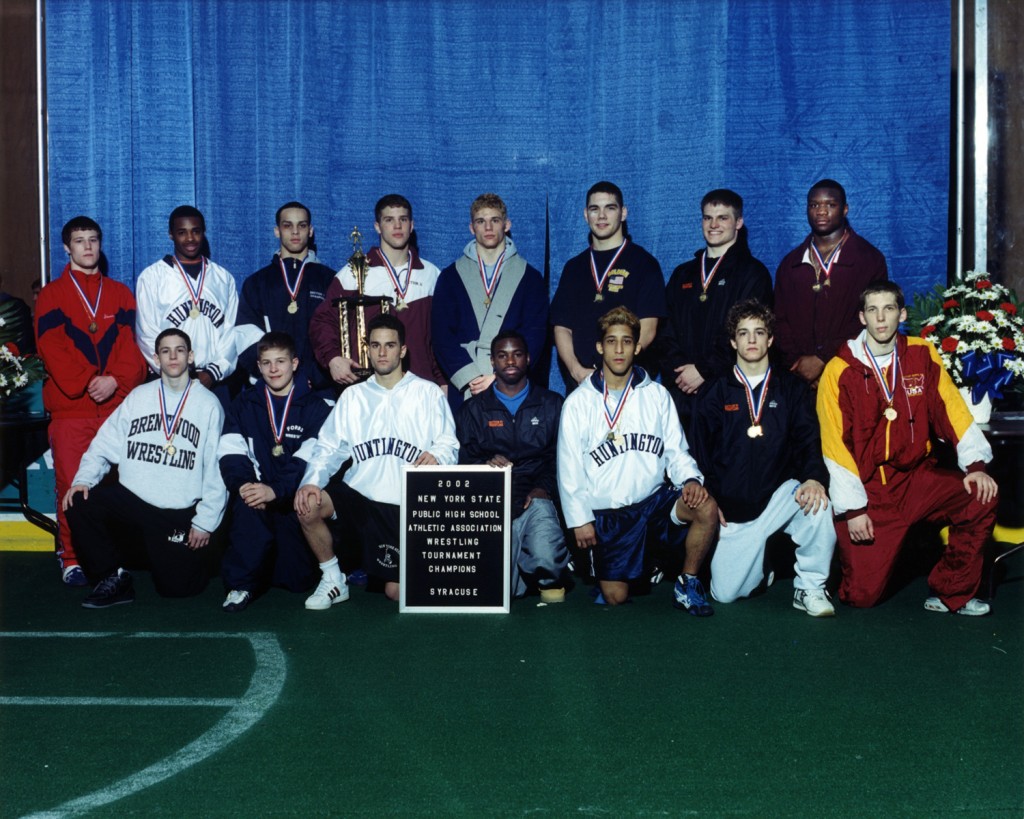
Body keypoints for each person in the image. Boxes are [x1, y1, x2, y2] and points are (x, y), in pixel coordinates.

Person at [817, 282, 998, 614]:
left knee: (980, 496)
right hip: (871, 491)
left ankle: (951, 591)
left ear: (901, 314)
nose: (881, 318)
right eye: (872, 310)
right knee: (861, 596)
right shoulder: (839, 370)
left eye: (888, 309)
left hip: (917, 479)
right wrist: (854, 510)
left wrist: (975, 466)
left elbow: (951, 409)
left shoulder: (921, 354)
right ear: (862, 317)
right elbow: (834, 446)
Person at [556, 306, 719, 612]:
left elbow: (676, 450)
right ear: (599, 346)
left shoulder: (656, 395)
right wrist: (580, 521)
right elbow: (569, 470)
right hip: (609, 515)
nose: (619, 349)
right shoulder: (579, 403)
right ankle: (632, 566)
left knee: (705, 507)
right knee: (616, 598)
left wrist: (692, 479)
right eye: (612, 341)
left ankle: (688, 582)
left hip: (652, 504)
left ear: (638, 347)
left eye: (627, 341)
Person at [294, 314, 458, 608]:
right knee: (308, 505)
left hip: (404, 503)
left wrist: (439, 456)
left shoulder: (428, 393)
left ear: (403, 350)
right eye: (376, 345)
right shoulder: (353, 396)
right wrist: (310, 482)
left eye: (390, 345)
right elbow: (328, 447)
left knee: (396, 593)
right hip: (359, 498)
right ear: (367, 349)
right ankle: (333, 579)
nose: (382, 353)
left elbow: (449, 443)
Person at [63, 328, 228, 607]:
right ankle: (112, 578)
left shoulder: (209, 405)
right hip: (133, 500)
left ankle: (197, 559)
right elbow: (103, 444)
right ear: (156, 358)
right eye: (165, 351)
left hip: (176, 510)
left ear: (191, 356)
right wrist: (84, 479)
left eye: (179, 350)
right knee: (80, 499)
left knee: (178, 589)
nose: (172, 356)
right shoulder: (139, 397)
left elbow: (216, 470)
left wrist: (205, 522)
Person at [692, 300, 836, 616]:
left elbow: (810, 441)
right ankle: (763, 563)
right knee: (725, 594)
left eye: (759, 332)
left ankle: (810, 587)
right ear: (733, 341)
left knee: (818, 504)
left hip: (780, 496)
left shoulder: (792, 388)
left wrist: (813, 478)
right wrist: (712, 500)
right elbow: (701, 454)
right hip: (734, 508)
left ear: (771, 339)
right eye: (744, 334)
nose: (752, 340)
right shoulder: (714, 392)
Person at [34, 216, 148, 586]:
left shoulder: (119, 293)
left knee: (117, 484)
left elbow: (132, 348)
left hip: (115, 406)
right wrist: (87, 382)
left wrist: (114, 380)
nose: (87, 247)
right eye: (80, 241)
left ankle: (115, 556)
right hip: (73, 409)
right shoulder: (52, 295)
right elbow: (53, 349)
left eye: (93, 239)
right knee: (72, 484)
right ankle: (71, 558)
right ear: (66, 248)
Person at [217, 331, 334, 612]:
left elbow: (309, 460)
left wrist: (276, 490)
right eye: (266, 363)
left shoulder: (317, 407)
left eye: (280, 361)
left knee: (296, 580)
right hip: (256, 496)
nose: (273, 369)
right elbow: (230, 451)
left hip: (290, 498)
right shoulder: (243, 403)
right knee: (247, 502)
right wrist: (245, 484)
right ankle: (240, 586)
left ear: (294, 363)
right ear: (258, 367)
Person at [456, 330, 569, 601]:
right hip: (492, 503)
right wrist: (485, 465)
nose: (510, 361)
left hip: (535, 498)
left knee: (547, 559)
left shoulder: (552, 404)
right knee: (502, 589)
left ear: (528, 359)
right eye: (502, 355)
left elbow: (563, 458)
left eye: (517, 354)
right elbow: (462, 460)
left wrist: (545, 488)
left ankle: (541, 568)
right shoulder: (473, 409)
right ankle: (517, 566)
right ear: (492, 362)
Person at [659, 189, 773, 430]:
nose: (713, 225)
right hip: (681, 392)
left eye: (723, 218)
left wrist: (703, 371)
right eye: (707, 217)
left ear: (738, 222)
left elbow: (747, 335)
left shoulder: (753, 274)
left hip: (729, 393)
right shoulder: (683, 274)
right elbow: (665, 330)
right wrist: (681, 373)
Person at [310, 194, 444, 390]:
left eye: (403, 220)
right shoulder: (353, 272)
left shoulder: (431, 274)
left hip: (420, 387)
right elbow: (322, 321)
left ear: (412, 225)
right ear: (377, 227)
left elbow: (439, 336)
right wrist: (332, 358)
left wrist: (441, 380)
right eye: (389, 220)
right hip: (369, 388)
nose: (397, 226)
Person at [432, 193, 547, 410]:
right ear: (471, 227)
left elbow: (535, 333)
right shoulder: (450, 277)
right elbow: (441, 336)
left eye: (495, 220)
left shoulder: (530, 278)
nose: (488, 227)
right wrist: (472, 378)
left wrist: (498, 377)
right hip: (468, 386)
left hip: (513, 383)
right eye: (480, 221)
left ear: (506, 225)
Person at [551, 181, 666, 388]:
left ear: (623, 213)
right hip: (582, 383)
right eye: (595, 209)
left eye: (610, 208)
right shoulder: (573, 268)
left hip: (627, 383)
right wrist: (577, 371)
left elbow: (648, 329)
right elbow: (562, 328)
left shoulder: (644, 264)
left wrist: (615, 372)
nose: (602, 216)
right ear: (586, 215)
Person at [774, 179, 887, 388]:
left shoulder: (869, 260)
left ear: (845, 209)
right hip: (798, 378)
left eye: (830, 205)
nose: (821, 211)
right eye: (814, 205)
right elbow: (779, 321)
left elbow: (871, 319)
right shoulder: (790, 264)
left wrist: (823, 359)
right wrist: (799, 364)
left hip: (850, 373)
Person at [135, 205, 240, 403]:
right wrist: (174, 372)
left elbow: (231, 332)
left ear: (204, 233)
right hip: (169, 380)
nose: (190, 239)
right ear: (171, 235)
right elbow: (146, 334)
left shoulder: (222, 277)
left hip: (214, 381)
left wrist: (214, 372)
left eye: (196, 231)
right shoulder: (151, 277)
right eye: (182, 232)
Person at [234, 202, 334, 390]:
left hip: (317, 388)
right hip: (270, 387)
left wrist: (316, 377)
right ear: (277, 231)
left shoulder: (329, 279)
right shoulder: (257, 282)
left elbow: (336, 335)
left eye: (302, 225)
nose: (295, 232)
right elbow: (245, 335)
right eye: (287, 226)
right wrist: (275, 374)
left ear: (310, 231)